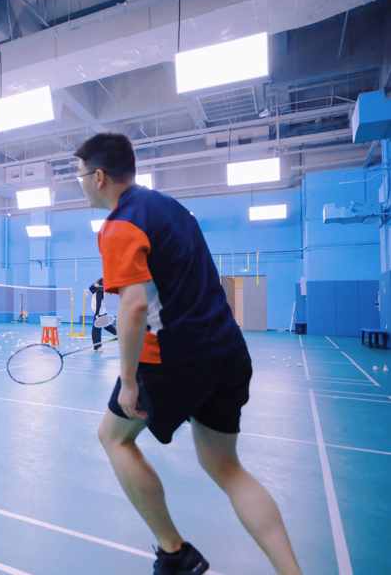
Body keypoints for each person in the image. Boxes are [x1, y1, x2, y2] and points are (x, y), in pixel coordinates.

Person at [75, 132, 302, 575]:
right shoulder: (173, 208)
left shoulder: (119, 225)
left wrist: (129, 380)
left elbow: (133, 305)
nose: (80, 185)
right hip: (228, 351)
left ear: (98, 177)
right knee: (227, 468)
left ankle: (175, 554)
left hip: (176, 360)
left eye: (80, 176)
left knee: (113, 437)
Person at [90, 277, 117, 351]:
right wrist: (93, 285)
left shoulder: (99, 293)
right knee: (107, 326)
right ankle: (119, 334)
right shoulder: (99, 290)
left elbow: (98, 304)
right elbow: (91, 289)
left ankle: (97, 347)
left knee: (95, 331)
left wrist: (96, 314)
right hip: (102, 312)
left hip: (99, 313)